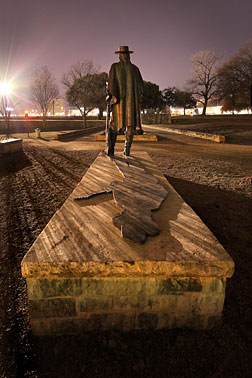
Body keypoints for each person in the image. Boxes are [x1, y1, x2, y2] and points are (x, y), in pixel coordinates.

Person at [106, 46, 143, 156]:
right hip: (131, 103)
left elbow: (111, 84)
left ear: (120, 55)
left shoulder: (115, 67)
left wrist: (109, 94)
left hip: (119, 102)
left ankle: (111, 149)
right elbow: (141, 87)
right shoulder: (135, 69)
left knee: (113, 124)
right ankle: (127, 149)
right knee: (130, 125)